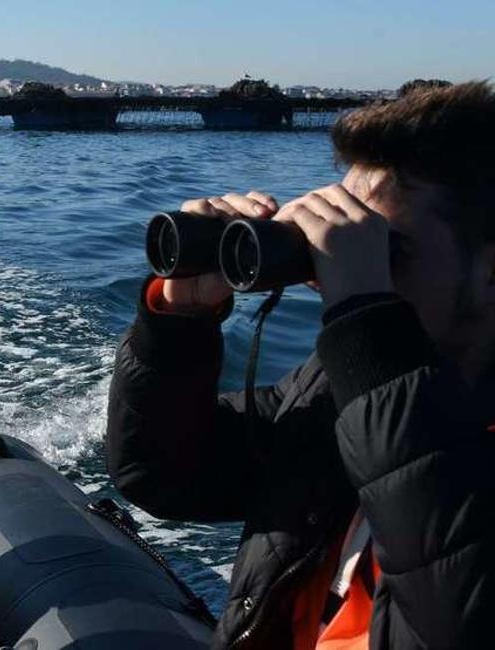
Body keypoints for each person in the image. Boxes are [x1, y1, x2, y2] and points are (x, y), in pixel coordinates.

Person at [106, 82, 494, 649]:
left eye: (387, 249)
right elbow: (164, 474)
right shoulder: (339, 394)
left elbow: (460, 616)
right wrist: (179, 322)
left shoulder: (373, 381)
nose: (335, 275)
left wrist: (365, 322)